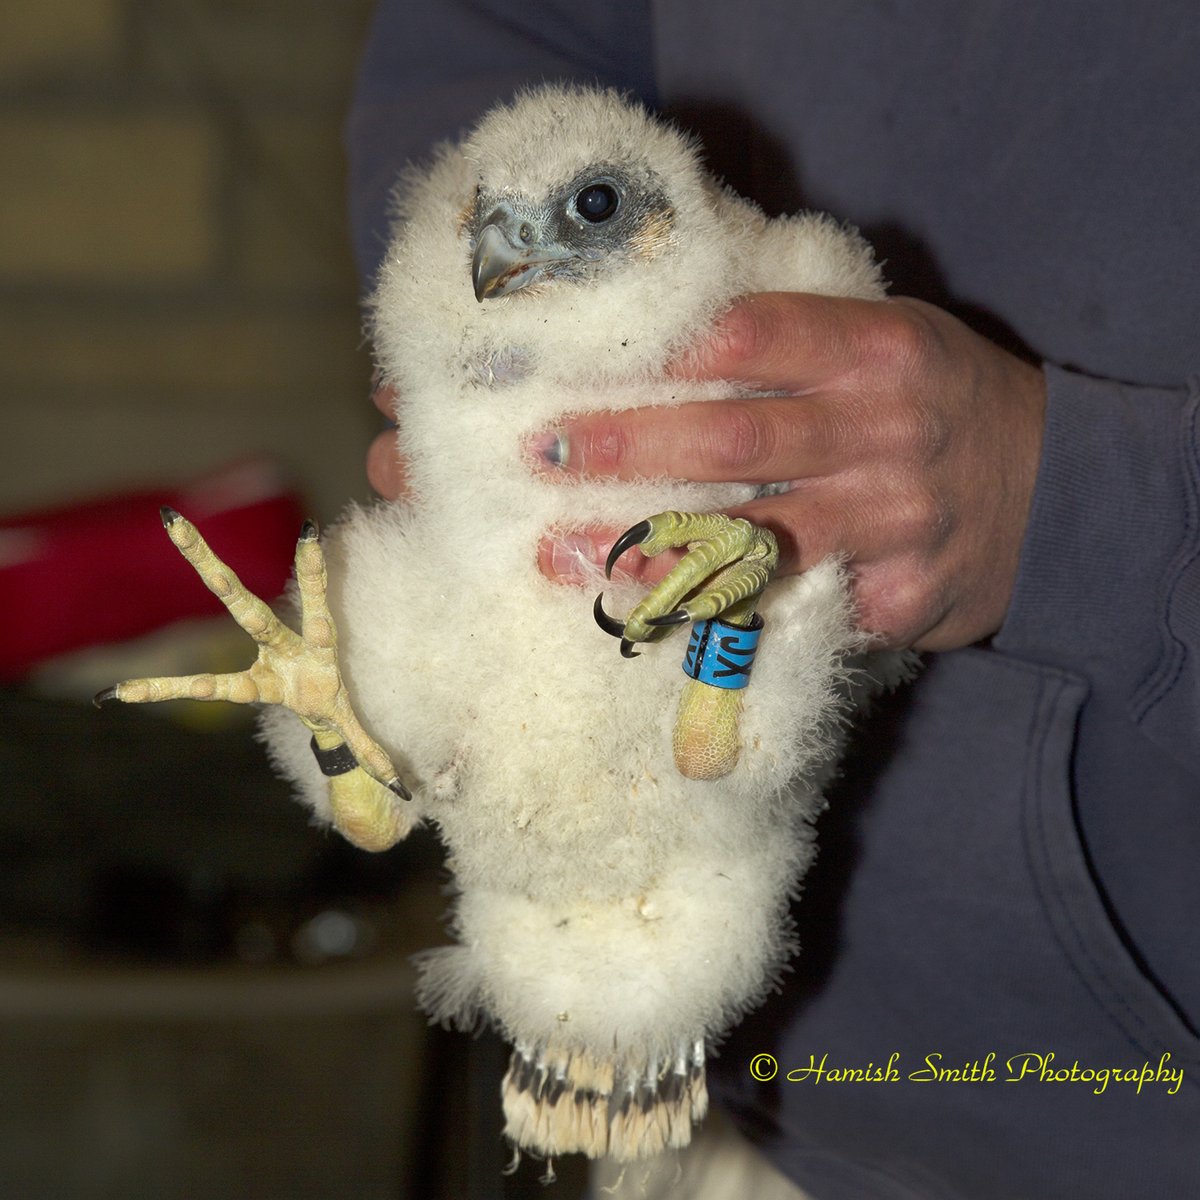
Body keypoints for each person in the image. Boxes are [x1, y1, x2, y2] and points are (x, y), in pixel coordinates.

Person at [346, 3, 1200, 1196]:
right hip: (739, 1126)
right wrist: (459, 326)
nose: (501, 259)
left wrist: (1091, 512)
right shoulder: (559, 277)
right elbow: (498, 33)